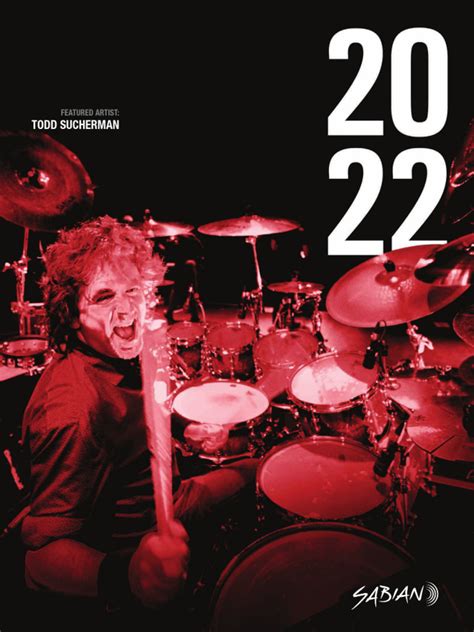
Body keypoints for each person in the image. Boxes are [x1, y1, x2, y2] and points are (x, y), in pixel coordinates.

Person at [21, 216, 256, 629]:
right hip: (141, 543)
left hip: (169, 493)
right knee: (259, 479)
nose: (127, 309)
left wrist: (185, 430)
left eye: (133, 290)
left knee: (260, 466)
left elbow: (137, 416)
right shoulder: (73, 411)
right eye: (104, 296)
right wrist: (127, 576)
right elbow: (38, 561)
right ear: (72, 316)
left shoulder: (121, 353)